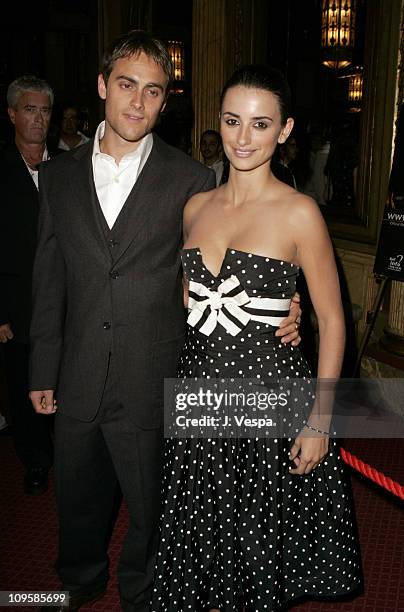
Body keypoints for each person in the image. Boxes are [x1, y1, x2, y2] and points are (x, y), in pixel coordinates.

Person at [28, 33, 300, 612]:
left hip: (154, 375)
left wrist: (282, 306)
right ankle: (79, 580)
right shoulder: (57, 178)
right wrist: (40, 367)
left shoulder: (190, 182)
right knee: (75, 495)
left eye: (153, 92)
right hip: (75, 372)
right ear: (103, 86)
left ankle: (144, 591)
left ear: (164, 102)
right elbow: (48, 281)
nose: (137, 103)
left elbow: (216, 272)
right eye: (126, 85)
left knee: (153, 506)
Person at [152, 65, 362, 611]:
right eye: (231, 121)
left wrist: (320, 420)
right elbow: (191, 299)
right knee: (199, 536)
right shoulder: (196, 207)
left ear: (285, 130)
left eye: (260, 124)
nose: (243, 139)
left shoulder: (299, 212)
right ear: (217, 123)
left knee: (253, 543)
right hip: (200, 392)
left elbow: (334, 320)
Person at [0, 75, 56, 495]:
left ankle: (64, 454)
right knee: (23, 385)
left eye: (45, 110)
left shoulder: (70, 169)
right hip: (16, 305)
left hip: (66, 305)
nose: (38, 119)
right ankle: (35, 460)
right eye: (30, 109)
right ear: (12, 114)